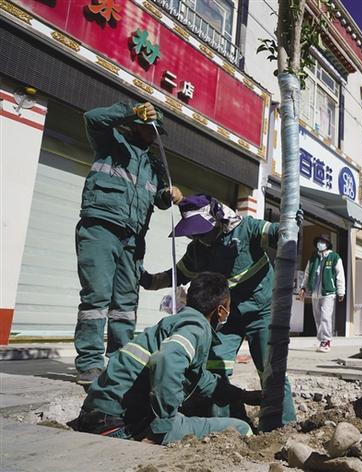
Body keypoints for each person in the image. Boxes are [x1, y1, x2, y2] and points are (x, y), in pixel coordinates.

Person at [140, 194, 296, 430]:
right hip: (227, 319)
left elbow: (277, 233)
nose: (198, 238)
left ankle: (281, 426)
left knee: (271, 369)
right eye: (193, 234)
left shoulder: (247, 229)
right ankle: (226, 425)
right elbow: (177, 275)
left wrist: (291, 223)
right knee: (215, 368)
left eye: (201, 232)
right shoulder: (196, 251)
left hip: (262, 313)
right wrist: (147, 280)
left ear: (217, 220)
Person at [69, 272, 257, 444]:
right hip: (119, 425)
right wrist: (162, 427)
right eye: (228, 307)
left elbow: (201, 380)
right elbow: (167, 360)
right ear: (221, 310)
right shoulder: (197, 328)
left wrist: (243, 395)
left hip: (93, 416)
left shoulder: (175, 322)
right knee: (241, 428)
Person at [74, 101, 183, 386]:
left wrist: (168, 194)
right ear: (137, 125)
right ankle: (90, 363)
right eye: (151, 129)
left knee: (125, 302)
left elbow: (158, 200)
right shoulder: (111, 143)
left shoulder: (154, 165)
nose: (154, 136)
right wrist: (129, 110)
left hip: (134, 237)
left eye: (157, 132)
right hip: (101, 227)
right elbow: (92, 116)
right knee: (96, 297)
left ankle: (120, 361)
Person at [298, 234, 345, 353]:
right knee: (318, 318)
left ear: (327, 244)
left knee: (325, 317)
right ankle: (321, 340)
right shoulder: (313, 257)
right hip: (315, 293)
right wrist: (303, 287)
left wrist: (341, 291)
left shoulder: (334, 257)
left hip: (328, 292)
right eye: (319, 241)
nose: (321, 244)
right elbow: (307, 273)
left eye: (323, 242)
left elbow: (340, 275)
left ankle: (326, 340)